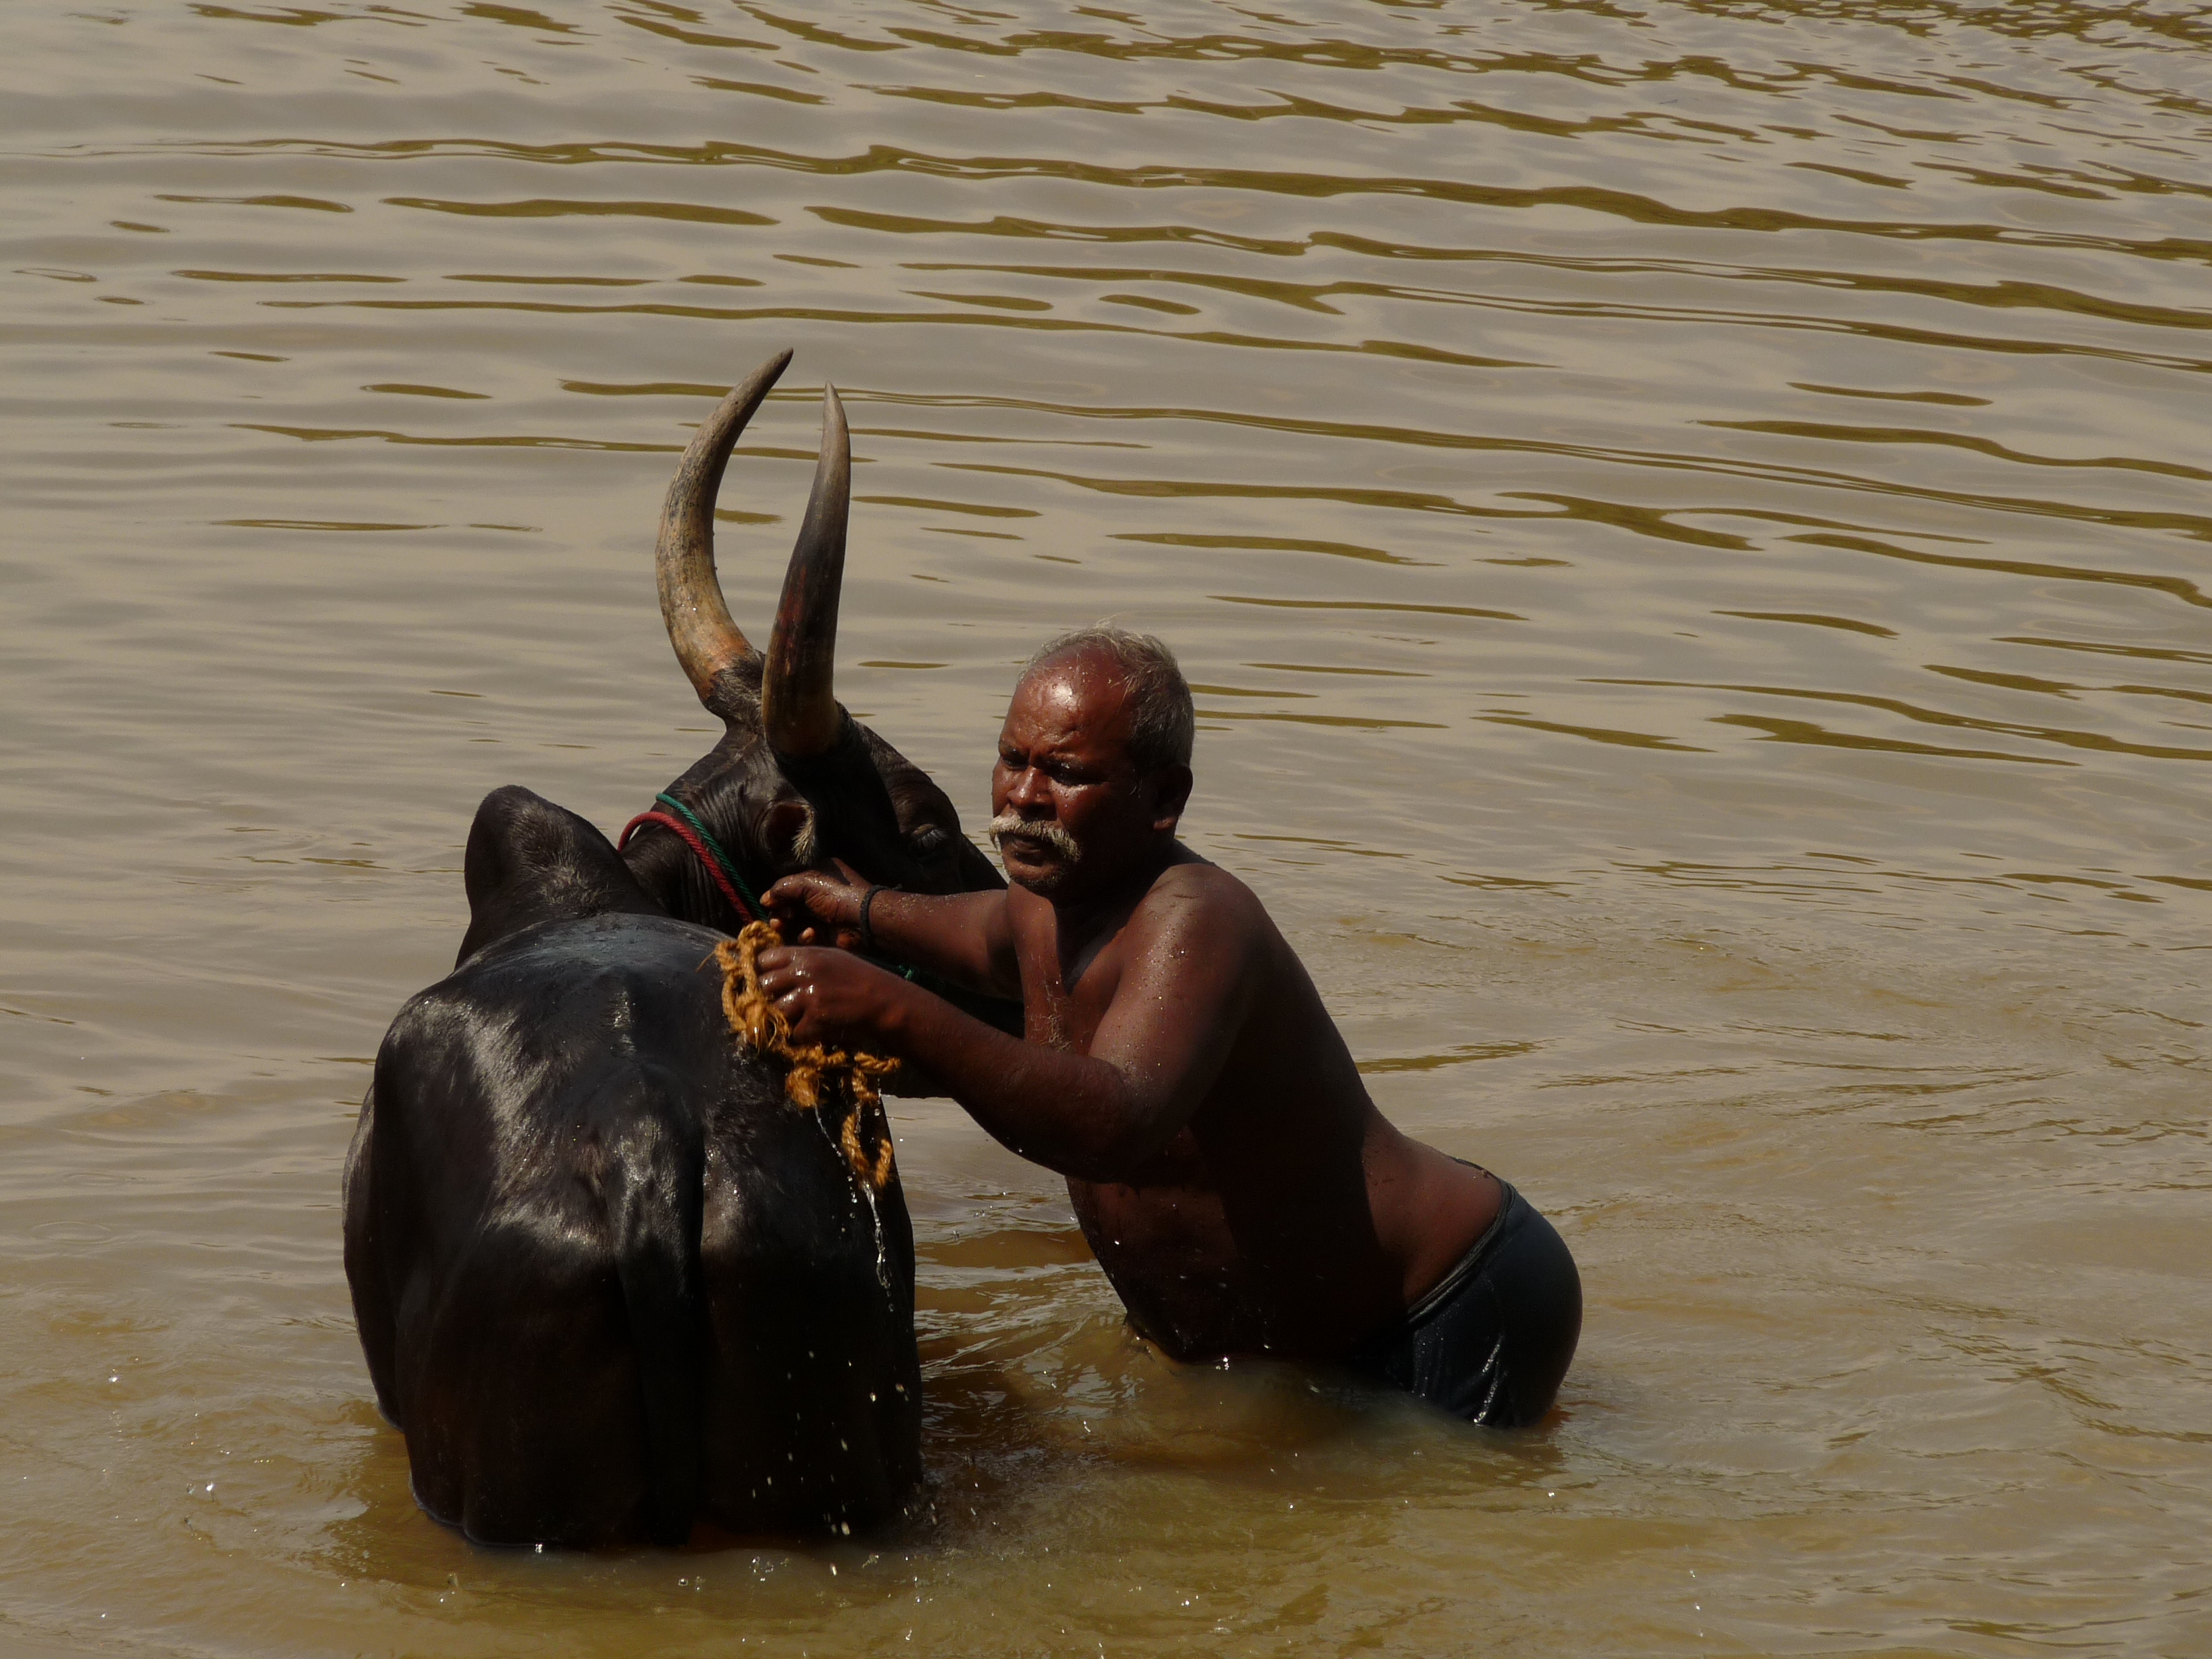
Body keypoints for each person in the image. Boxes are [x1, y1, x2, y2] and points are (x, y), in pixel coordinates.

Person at [758, 626, 1581, 1427]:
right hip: (1290, 1341)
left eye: (1068, 772)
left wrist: (888, 1007)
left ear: (1165, 800)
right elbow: (979, 936)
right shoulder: (1049, 898)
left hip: (1447, 1308)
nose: (1024, 799)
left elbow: (1114, 1122)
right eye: (1014, 760)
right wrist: (861, 911)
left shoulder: (1196, 919)